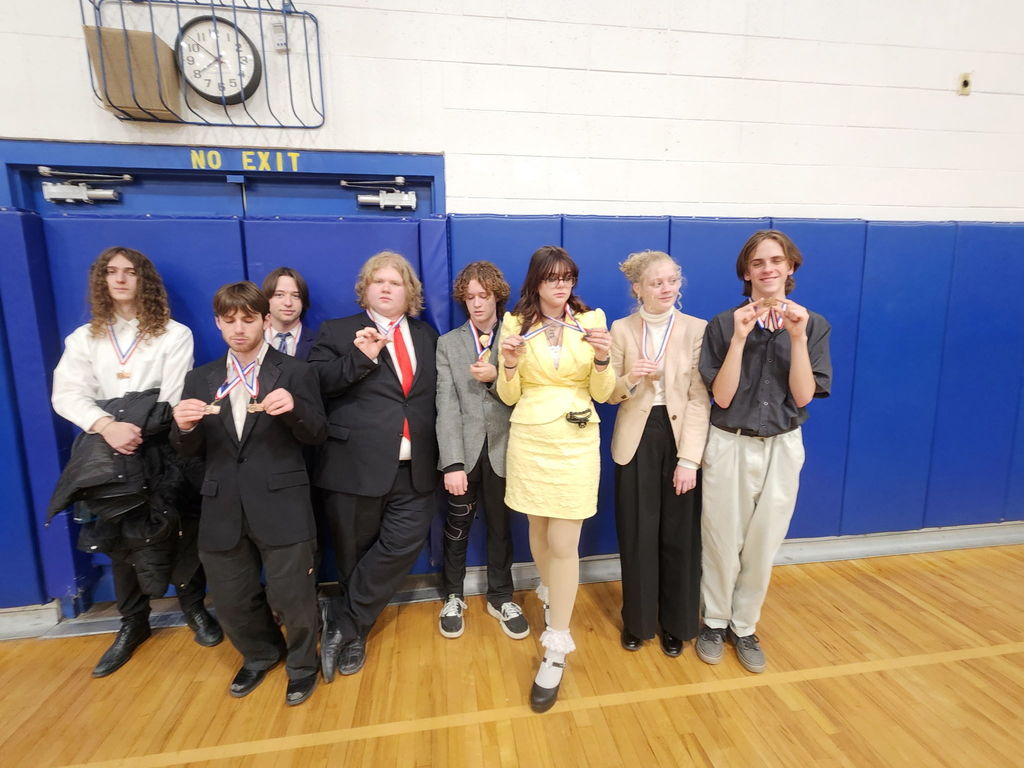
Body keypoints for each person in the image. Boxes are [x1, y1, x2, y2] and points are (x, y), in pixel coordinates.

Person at [51, 246, 222, 678]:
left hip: (161, 445)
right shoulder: (84, 338)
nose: (121, 279)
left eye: (130, 272)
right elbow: (67, 394)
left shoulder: (173, 333)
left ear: (144, 280)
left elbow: (173, 395)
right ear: (102, 281)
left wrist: (138, 427)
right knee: (118, 535)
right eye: (112, 272)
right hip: (107, 450)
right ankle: (133, 623)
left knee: (181, 530)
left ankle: (193, 608)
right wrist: (106, 424)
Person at [171, 282, 327, 706]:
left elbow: (317, 434)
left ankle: (301, 665)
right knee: (231, 597)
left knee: (292, 596)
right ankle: (260, 654)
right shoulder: (199, 378)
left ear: (264, 319)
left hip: (283, 503)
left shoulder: (295, 371)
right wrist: (182, 427)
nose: (238, 329)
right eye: (229, 320)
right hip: (222, 504)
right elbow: (186, 450)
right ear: (218, 323)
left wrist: (295, 409)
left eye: (247, 319)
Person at [696, 230, 832, 673]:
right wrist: (739, 338)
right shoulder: (721, 324)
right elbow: (721, 396)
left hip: (782, 445)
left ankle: (744, 626)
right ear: (746, 271)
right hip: (730, 442)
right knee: (721, 538)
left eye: (776, 261)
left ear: (790, 267)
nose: (767, 269)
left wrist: (796, 337)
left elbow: (805, 396)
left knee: (764, 541)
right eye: (758, 263)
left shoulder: (812, 324)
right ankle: (714, 621)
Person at [310, 251, 439, 681]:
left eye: (396, 282)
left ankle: (342, 619)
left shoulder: (426, 335)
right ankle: (356, 633)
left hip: (416, 467)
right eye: (378, 281)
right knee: (353, 555)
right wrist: (359, 360)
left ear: (410, 293)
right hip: (355, 467)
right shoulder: (338, 331)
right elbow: (316, 385)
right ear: (365, 288)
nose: (386, 288)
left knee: (402, 545)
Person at [496, 245, 614, 713]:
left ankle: (556, 646)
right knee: (539, 530)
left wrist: (604, 360)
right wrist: (506, 364)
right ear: (536, 282)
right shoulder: (514, 325)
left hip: (577, 441)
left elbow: (604, 393)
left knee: (566, 542)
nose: (560, 284)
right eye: (551, 277)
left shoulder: (592, 322)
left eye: (567, 277)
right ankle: (551, 594)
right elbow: (509, 395)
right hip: (529, 438)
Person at [606, 250, 710, 657]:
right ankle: (639, 621)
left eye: (672, 281)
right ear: (638, 289)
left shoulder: (696, 329)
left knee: (680, 536)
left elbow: (700, 399)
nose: (666, 289)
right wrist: (631, 377)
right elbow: (608, 392)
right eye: (656, 283)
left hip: (679, 435)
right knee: (637, 534)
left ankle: (677, 623)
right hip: (636, 438)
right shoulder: (621, 329)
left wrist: (689, 459)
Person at [436, 261, 528, 640]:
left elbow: (528, 394)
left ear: (497, 296)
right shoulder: (450, 343)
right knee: (457, 525)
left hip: (506, 449)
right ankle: (453, 595)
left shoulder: (518, 336)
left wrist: (496, 380)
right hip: (465, 451)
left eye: (483, 296)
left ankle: (501, 595)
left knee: (501, 527)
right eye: (470, 297)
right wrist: (451, 463)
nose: (476, 304)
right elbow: (446, 405)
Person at [262, 267, 317, 359]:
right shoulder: (252, 339)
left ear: (303, 301)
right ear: (267, 299)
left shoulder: (319, 342)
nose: (288, 303)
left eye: (295, 296)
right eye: (279, 295)